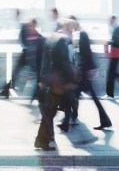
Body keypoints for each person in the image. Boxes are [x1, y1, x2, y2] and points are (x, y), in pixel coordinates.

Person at [34, 19, 75, 151]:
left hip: (48, 81)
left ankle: (41, 140)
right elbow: (63, 63)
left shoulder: (50, 38)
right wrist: (71, 79)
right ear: (64, 28)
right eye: (70, 28)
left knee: (49, 113)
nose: (72, 31)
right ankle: (42, 140)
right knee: (50, 112)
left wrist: (42, 80)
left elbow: (44, 61)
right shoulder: (63, 41)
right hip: (57, 83)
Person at [72, 17, 112, 130]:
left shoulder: (82, 35)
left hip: (84, 72)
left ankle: (73, 118)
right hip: (84, 71)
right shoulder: (81, 34)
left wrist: (89, 69)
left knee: (82, 95)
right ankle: (73, 117)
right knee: (78, 94)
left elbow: (87, 52)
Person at [0, 9, 27, 99]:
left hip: (26, 53)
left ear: (17, 15)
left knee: (16, 72)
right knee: (17, 72)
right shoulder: (22, 25)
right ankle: (6, 90)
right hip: (26, 52)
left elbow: (23, 40)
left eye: (15, 15)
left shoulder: (23, 25)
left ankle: (6, 90)